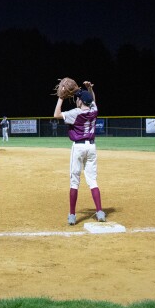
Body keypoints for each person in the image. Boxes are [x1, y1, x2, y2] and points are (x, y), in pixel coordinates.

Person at [54, 80, 105, 226]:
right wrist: (89, 88)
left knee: (74, 181)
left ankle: (72, 215)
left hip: (78, 148)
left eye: (78, 98)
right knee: (93, 181)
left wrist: (61, 97)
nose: (76, 100)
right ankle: (100, 211)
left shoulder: (75, 113)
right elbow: (92, 100)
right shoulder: (93, 110)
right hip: (92, 148)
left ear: (81, 101)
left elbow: (56, 114)